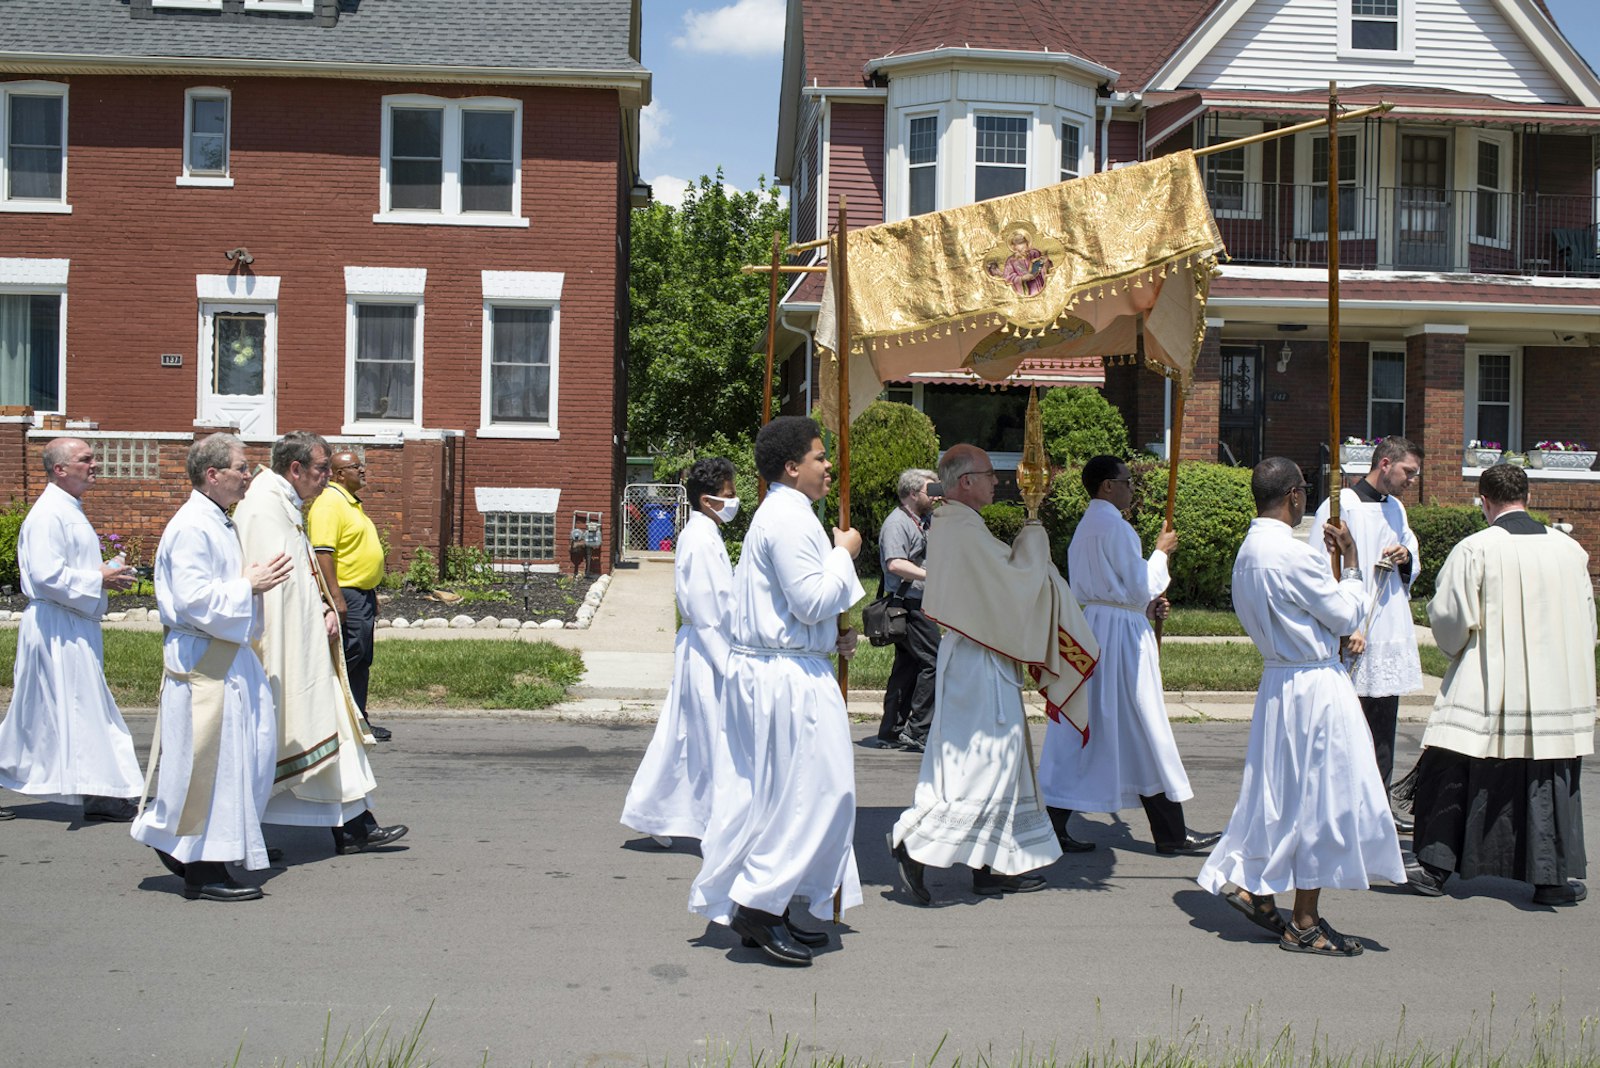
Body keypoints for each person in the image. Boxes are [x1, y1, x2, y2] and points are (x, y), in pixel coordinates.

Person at [1197, 457, 1405, 957]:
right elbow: (1345, 614)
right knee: (1322, 799)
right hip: (1314, 685)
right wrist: (1352, 562)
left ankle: (1257, 888)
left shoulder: (1248, 551)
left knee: (1281, 795)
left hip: (1278, 683)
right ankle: (1304, 920)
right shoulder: (1293, 555)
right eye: (1304, 490)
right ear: (1293, 495)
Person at [889, 444, 1100, 905]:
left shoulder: (960, 525)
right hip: (978, 661)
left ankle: (992, 866)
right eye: (988, 473)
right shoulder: (960, 529)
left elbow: (1003, 584)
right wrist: (1034, 534)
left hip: (981, 656)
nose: (997, 481)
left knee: (1003, 766)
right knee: (987, 762)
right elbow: (1017, 581)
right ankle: (917, 847)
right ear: (965, 481)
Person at [689, 416, 865, 967]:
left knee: (783, 794)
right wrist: (846, 553)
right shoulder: (787, 518)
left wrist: (824, 639)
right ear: (792, 467)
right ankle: (759, 909)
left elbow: (795, 608)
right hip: (785, 681)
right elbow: (811, 598)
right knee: (812, 792)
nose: (828, 465)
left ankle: (777, 902)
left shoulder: (789, 513)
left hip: (785, 668)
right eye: (819, 457)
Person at [1407, 464, 1595, 906]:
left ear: (1484, 501)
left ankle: (1435, 870)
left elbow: (1452, 619)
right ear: (1527, 496)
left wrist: (1456, 651)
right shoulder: (1571, 551)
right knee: (1546, 776)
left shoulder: (1476, 548)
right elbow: (1587, 622)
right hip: (1556, 688)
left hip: (1491, 683)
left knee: (1458, 767)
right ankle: (1550, 879)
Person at [130, 434, 293, 901]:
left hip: (228, 656)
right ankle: (202, 868)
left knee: (246, 756)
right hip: (206, 661)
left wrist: (249, 586)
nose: (249, 474)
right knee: (210, 763)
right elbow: (193, 600)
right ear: (212, 474)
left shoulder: (218, 520)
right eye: (242, 467)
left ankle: (203, 845)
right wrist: (249, 585)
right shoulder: (191, 527)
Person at [232, 431, 407, 856]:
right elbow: (271, 586)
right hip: (287, 651)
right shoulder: (262, 507)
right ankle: (240, 836)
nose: (328, 477)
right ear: (295, 469)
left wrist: (324, 608)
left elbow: (300, 571)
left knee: (336, 733)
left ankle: (352, 827)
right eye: (322, 468)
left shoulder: (283, 502)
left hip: (310, 639)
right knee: (291, 739)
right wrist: (317, 616)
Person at [1039, 456, 1218, 856]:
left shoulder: (1087, 527)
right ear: (1106, 486)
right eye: (1125, 482)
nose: (1131, 489)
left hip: (1098, 628)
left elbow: (1117, 592)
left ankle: (1057, 822)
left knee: (1088, 724)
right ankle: (1169, 832)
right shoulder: (1116, 528)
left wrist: (1145, 610)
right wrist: (1160, 553)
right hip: (1120, 640)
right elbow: (1139, 586)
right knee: (1145, 722)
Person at [0, 437, 143, 823]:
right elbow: (47, 577)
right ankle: (103, 792)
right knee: (86, 710)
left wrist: (104, 578)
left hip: (70, 623)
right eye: (86, 459)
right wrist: (98, 576)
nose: (94, 464)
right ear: (60, 468)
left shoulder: (67, 508)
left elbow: (67, 571)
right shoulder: (49, 514)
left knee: (37, 714)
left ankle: (97, 790)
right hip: (56, 627)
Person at [1306, 436, 1423, 829]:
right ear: (1385, 464)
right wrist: (1346, 626)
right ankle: (1342, 806)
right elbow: (1324, 569)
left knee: (1384, 725)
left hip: (1389, 626)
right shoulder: (1341, 507)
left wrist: (1406, 558)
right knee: (1347, 725)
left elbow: (1410, 552)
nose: (1412, 480)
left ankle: (1380, 805)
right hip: (1354, 629)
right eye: (1409, 472)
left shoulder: (1397, 509)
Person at [621, 456, 738, 845]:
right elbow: (707, 609)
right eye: (729, 494)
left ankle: (653, 810)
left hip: (701, 646)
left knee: (683, 732)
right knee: (708, 736)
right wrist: (727, 661)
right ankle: (708, 824)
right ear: (708, 500)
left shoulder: (704, 533)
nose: (735, 500)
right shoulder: (701, 538)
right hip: (707, 649)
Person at [306, 448, 391, 742]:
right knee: (348, 656)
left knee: (362, 658)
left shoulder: (350, 503)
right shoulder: (330, 503)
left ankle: (358, 722)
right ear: (339, 474)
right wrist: (336, 597)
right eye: (357, 466)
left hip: (361, 594)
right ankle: (324, 721)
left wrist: (371, 592)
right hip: (346, 595)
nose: (363, 470)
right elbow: (322, 553)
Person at [873, 468, 939, 753]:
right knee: (934, 661)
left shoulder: (924, 521)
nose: (936, 496)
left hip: (916, 602)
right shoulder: (897, 523)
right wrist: (932, 575)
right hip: (908, 604)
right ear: (913, 493)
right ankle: (918, 730)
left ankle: (892, 730)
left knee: (908, 666)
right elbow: (895, 564)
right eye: (931, 491)